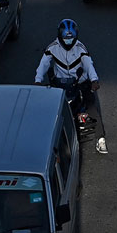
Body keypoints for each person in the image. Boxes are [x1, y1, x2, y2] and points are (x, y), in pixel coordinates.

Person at [33, 18, 109, 154]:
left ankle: (100, 138)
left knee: (91, 106)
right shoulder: (52, 48)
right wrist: (38, 81)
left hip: (79, 83)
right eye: (66, 39)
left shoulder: (81, 48)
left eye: (71, 39)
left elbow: (89, 65)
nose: (68, 42)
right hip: (59, 84)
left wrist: (94, 80)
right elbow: (43, 64)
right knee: (47, 109)